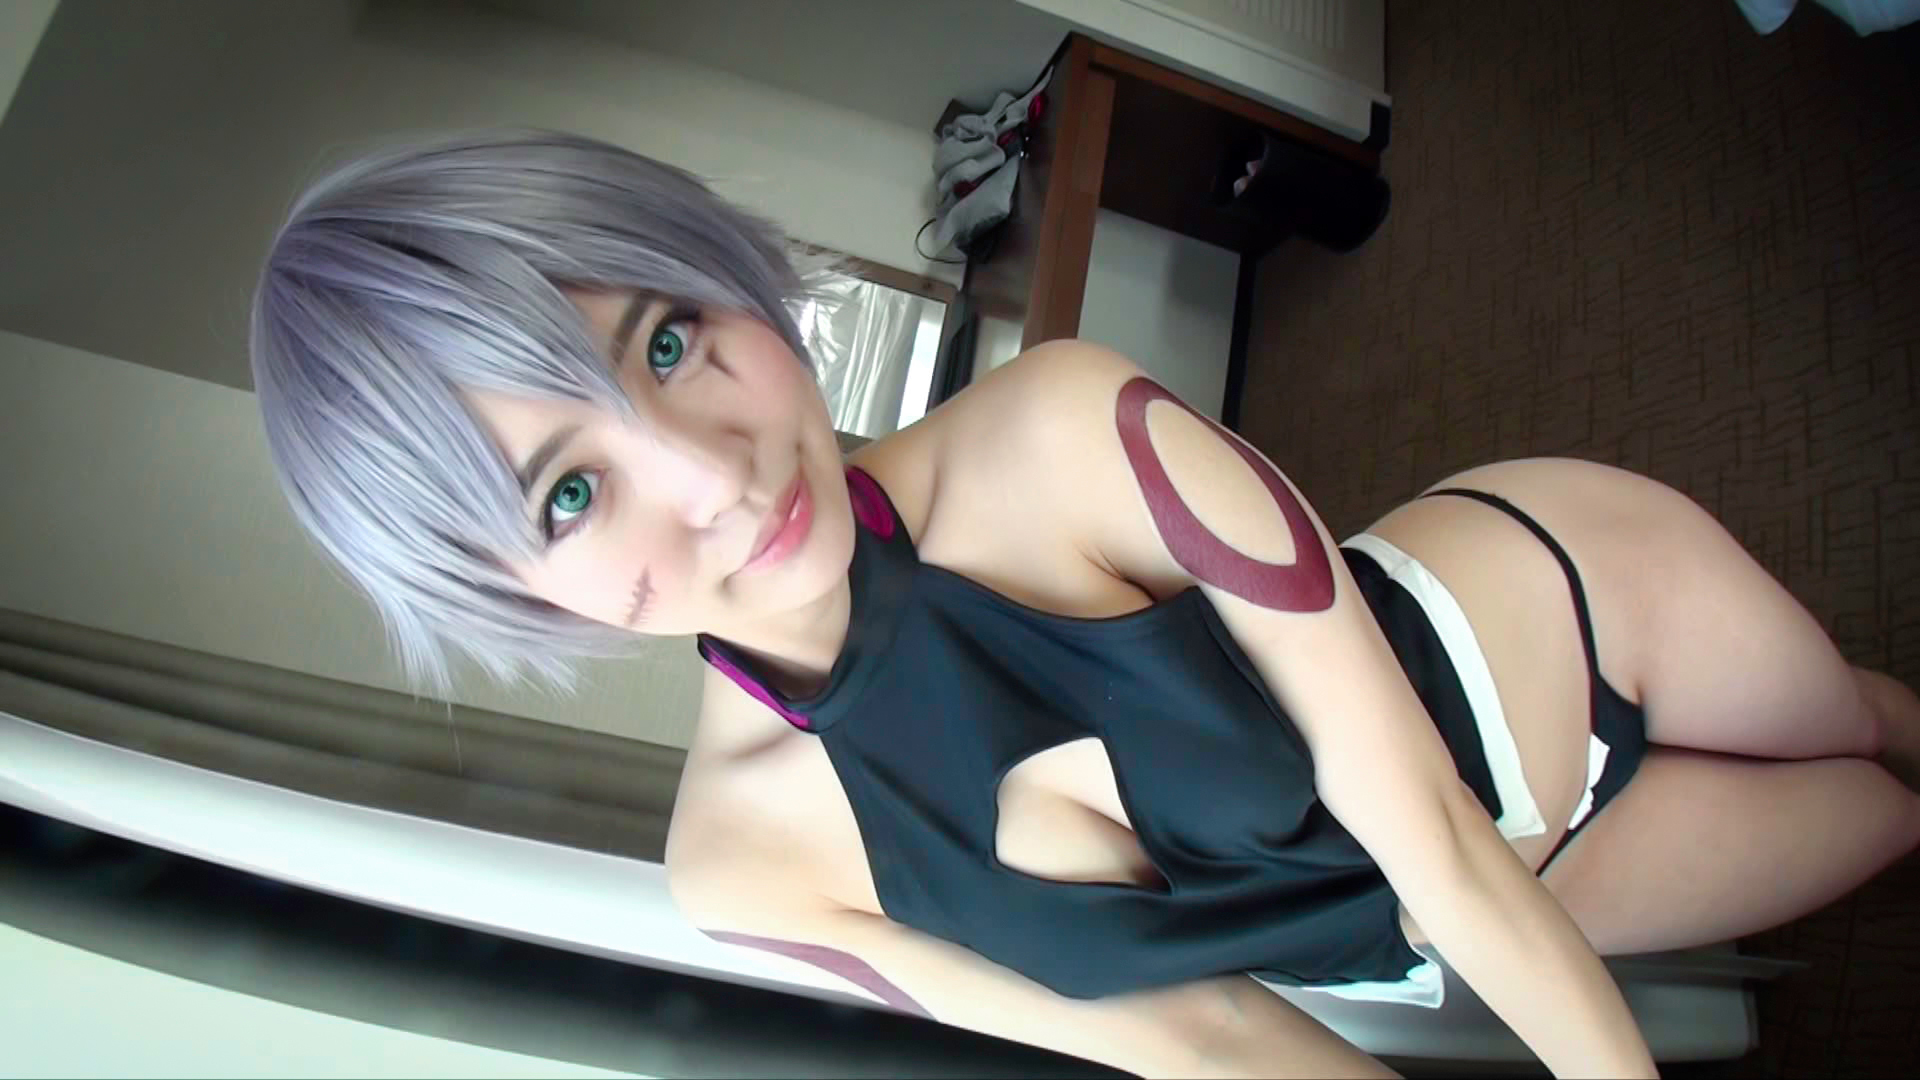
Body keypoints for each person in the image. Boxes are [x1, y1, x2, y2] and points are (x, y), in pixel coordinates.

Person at [249, 129, 1920, 1079]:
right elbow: (1203, 1039)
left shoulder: (1060, 428)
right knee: (1889, 826)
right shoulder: (741, 868)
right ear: (502, 591)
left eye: (670, 340)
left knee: (1870, 718)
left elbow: (1424, 825)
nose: (709, 476)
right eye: (568, 491)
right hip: (1493, 904)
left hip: (1567, 616)